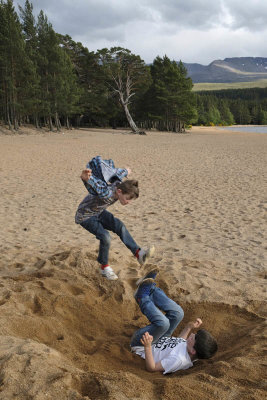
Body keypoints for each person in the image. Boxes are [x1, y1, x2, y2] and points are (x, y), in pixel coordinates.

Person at [75, 156, 155, 280]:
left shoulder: (120, 185)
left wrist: (127, 171)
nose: (128, 202)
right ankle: (104, 268)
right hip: (85, 216)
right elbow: (97, 187)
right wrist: (86, 178)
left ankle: (138, 253)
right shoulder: (107, 193)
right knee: (105, 236)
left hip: (98, 211)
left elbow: (118, 173)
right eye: (127, 198)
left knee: (119, 226)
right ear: (119, 192)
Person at [131, 270, 218, 374]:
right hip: (162, 339)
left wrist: (148, 346)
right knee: (178, 313)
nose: (193, 334)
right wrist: (189, 327)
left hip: (141, 345)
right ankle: (150, 289)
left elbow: (152, 367)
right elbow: (179, 343)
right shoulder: (190, 350)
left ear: (193, 351)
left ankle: (142, 297)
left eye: (195, 337)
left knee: (163, 324)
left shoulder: (178, 360)